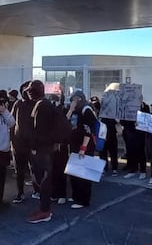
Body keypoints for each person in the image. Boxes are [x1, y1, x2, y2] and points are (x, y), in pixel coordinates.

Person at [27, 80, 65, 223]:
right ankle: (44, 209)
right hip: (47, 148)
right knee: (44, 179)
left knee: (43, 180)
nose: (29, 93)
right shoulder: (45, 104)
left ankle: (45, 211)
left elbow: (39, 130)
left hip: (42, 149)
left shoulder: (41, 106)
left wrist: (35, 148)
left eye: (31, 91)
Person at [67, 90, 101, 208]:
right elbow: (66, 122)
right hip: (74, 143)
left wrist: (83, 148)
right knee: (74, 172)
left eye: (75, 99)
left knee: (83, 173)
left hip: (85, 145)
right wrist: (71, 110)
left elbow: (88, 130)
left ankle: (83, 200)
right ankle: (76, 195)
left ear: (80, 98)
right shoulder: (74, 110)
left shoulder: (86, 110)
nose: (73, 101)